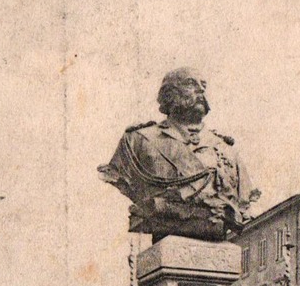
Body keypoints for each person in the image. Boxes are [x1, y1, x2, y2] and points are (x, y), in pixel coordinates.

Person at [98, 68, 259, 241]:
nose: (201, 90)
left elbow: (241, 200)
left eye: (203, 85)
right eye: (190, 83)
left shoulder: (226, 149)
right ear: (168, 94)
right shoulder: (138, 141)